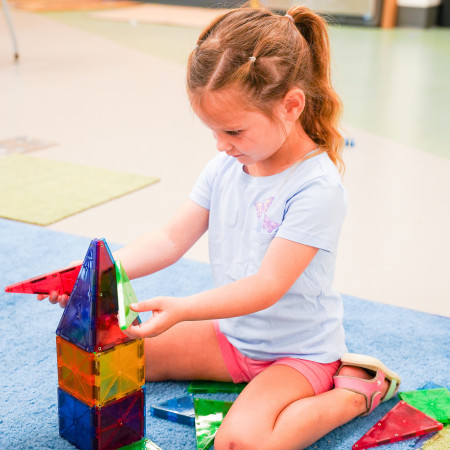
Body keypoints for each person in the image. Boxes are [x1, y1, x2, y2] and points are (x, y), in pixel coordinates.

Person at [40, 6, 401, 449]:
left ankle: (356, 392)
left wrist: (186, 308)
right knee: (107, 359)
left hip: (297, 355)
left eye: (232, 131)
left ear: (291, 106)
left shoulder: (317, 187)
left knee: (242, 444)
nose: (221, 145)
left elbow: (267, 285)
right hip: (230, 339)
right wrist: (96, 274)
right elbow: (171, 238)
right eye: (213, 131)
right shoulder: (227, 165)